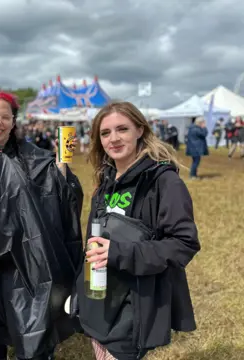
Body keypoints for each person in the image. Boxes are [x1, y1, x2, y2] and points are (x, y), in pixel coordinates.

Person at [0, 92, 84, 360]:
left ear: (14, 122)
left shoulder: (37, 157)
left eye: (4, 117)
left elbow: (62, 199)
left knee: (35, 323)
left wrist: (62, 170)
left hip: (29, 257)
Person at [72, 102, 200, 359]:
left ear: (140, 130)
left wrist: (120, 253)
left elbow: (184, 244)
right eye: (105, 133)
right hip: (98, 297)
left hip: (136, 303)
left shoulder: (164, 181)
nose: (114, 138)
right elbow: (92, 241)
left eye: (122, 129)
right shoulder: (105, 180)